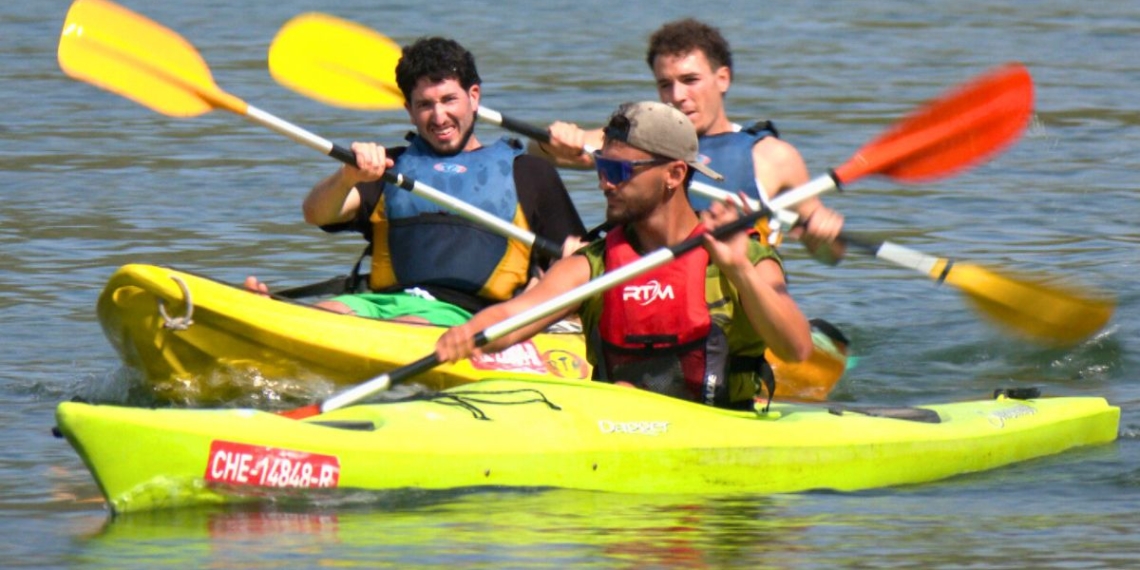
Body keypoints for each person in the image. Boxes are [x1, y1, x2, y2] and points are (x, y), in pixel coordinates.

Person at [436, 101, 813, 409]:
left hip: (720, 437)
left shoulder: (741, 255)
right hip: (619, 431)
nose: (605, 182)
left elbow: (795, 348)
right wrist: (470, 332)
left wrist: (739, 269)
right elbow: (514, 316)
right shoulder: (594, 265)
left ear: (674, 174)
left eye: (619, 170)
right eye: (602, 166)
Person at [247, 37, 585, 325]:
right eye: (425, 105)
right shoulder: (389, 167)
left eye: (449, 100)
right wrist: (347, 176)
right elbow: (316, 213)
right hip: (379, 303)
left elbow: (581, 264)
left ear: (474, 96)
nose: (439, 117)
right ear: (409, 110)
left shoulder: (528, 173)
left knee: (410, 324)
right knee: (327, 312)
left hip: (471, 316)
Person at [532, 18, 845, 264]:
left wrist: (823, 236)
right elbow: (537, 159)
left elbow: (830, 256)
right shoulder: (634, 139)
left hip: (729, 299)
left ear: (723, 78)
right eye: (665, 84)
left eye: (690, 80)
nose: (677, 96)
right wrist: (555, 141)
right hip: (641, 287)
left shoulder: (773, 157)